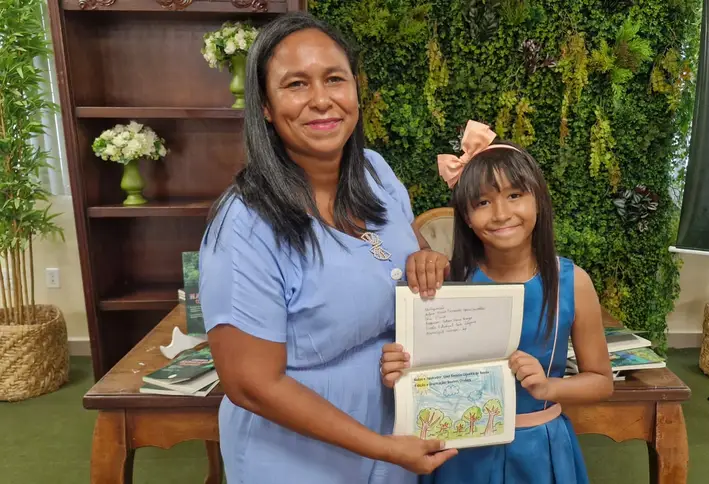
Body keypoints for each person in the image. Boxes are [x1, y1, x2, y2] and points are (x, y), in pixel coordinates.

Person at [197, 12, 456, 484]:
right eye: (296, 84)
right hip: (297, 460)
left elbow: (406, 255)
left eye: (334, 79)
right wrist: (384, 448)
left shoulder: (375, 173)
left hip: (394, 443)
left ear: (355, 90)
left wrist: (427, 260)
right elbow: (251, 385)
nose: (321, 100)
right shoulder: (245, 224)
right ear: (266, 107)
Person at [380, 120, 615, 483]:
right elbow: (421, 374)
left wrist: (548, 387)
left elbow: (601, 381)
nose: (502, 213)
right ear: (467, 218)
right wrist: (401, 368)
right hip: (460, 455)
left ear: (538, 199)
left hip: (538, 451)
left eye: (515, 195)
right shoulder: (447, 283)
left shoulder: (573, 283)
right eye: (483, 202)